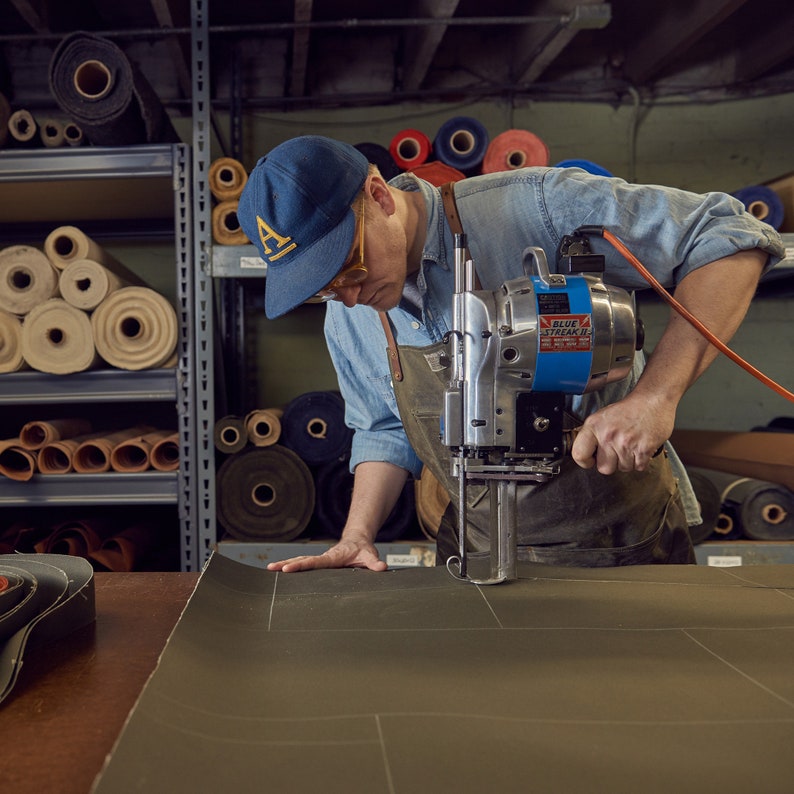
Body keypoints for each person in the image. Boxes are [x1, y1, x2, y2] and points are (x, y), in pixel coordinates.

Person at [237, 135, 784, 573]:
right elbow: (383, 428)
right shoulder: (350, 312)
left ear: (379, 198)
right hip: (475, 546)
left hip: (620, 544)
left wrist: (654, 398)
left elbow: (727, 235)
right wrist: (356, 536)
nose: (349, 297)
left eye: (350, 267)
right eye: (327, 289)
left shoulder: (535, 207)